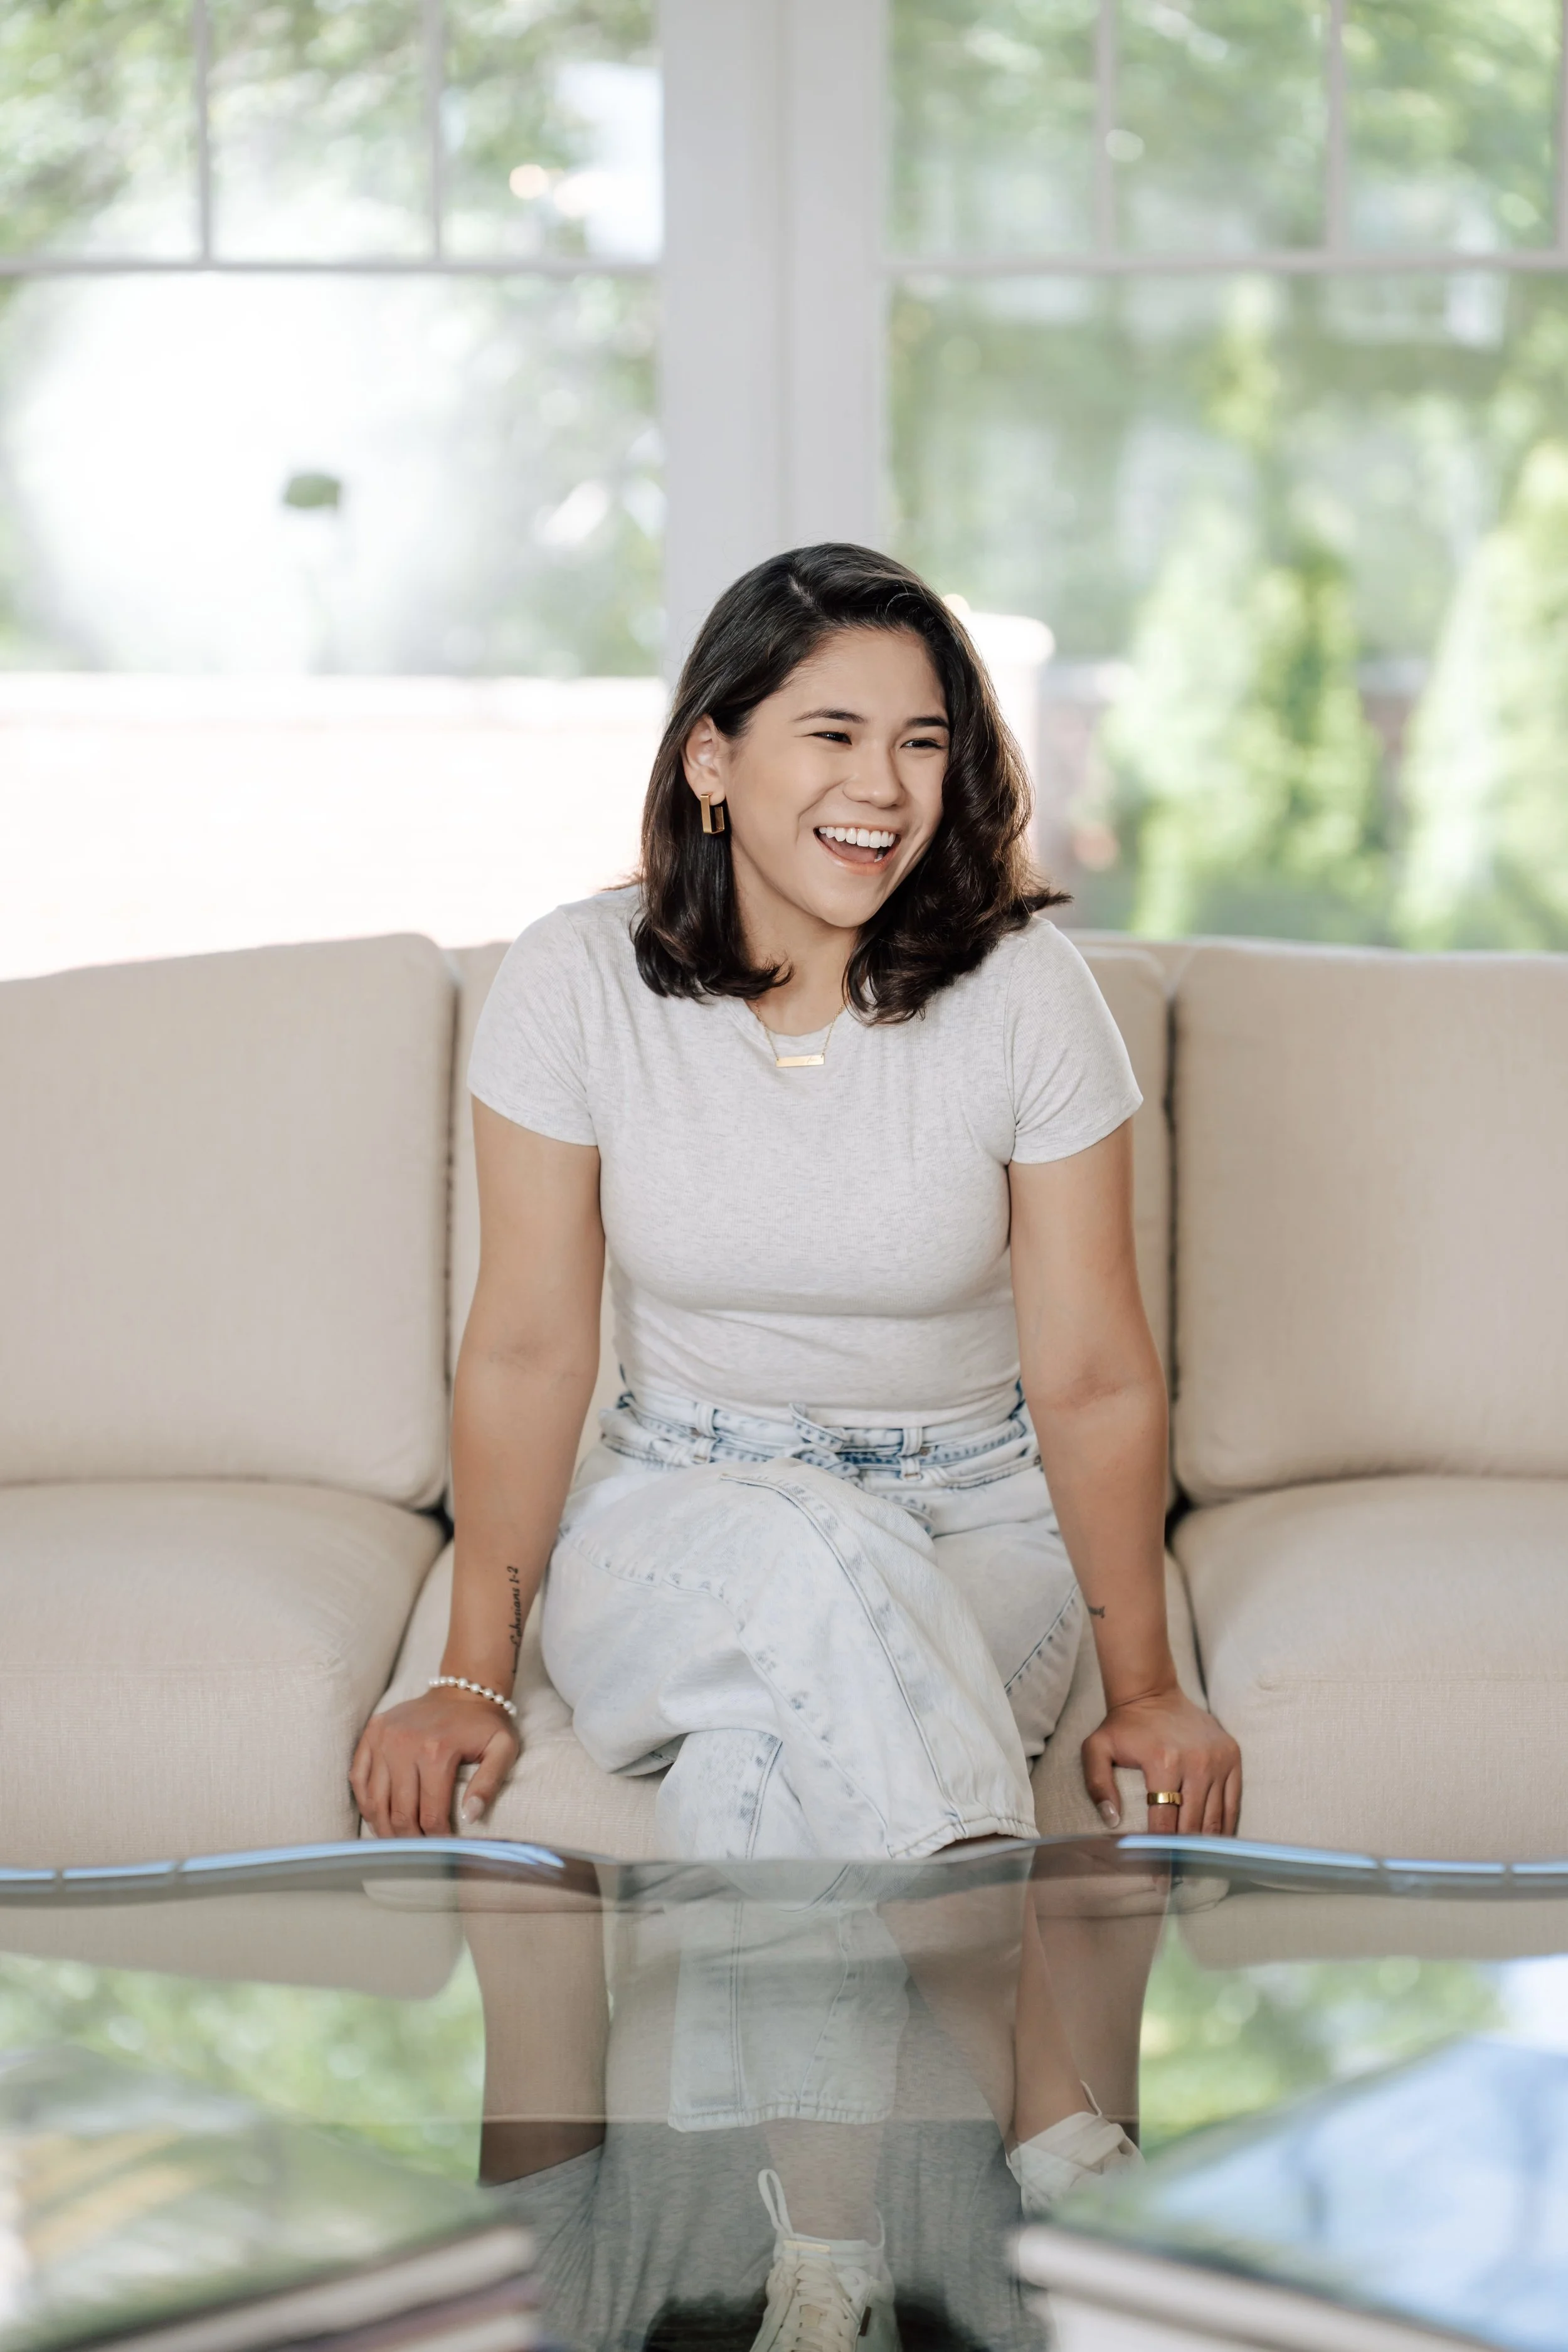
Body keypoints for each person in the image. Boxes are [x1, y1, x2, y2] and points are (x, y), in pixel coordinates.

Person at [352, 542, 1241, 2349]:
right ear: (710, 756)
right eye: (829, 731)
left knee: (766, 1753)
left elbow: (1086, 1370)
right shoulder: (576, 978)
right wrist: (468, 1667)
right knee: (794, 1556)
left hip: (969, 1514)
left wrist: (1141, 1683)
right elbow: (529, 1348)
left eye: (921, 741)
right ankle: (1037, 2080)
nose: (881, 787)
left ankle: (817, 2274)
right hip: (670, 1505)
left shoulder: (1021, 994)